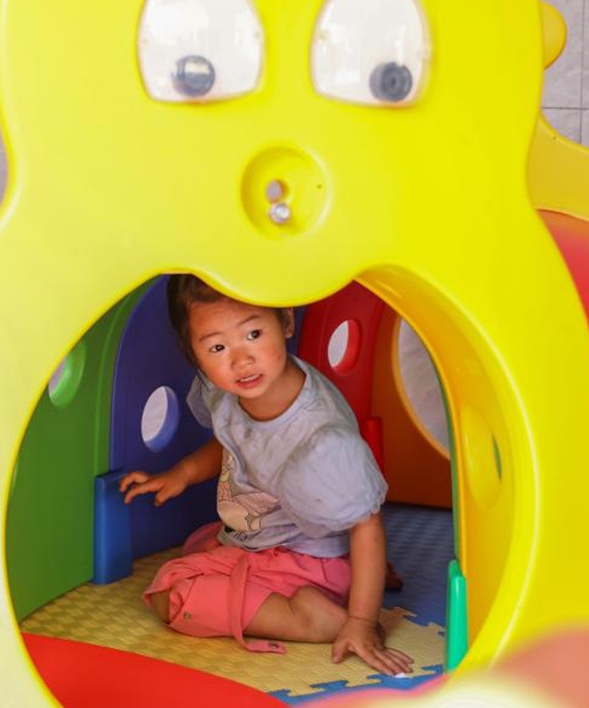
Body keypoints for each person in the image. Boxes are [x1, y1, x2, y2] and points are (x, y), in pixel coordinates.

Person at [120, 275, 413, 676]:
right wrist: (182, 474)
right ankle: (319, 591)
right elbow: (234, 438)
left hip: (311, 559)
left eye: (254, 333)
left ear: (286, 322)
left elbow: (367, 522)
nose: (241, 360)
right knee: (199, 545)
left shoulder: (319, 436)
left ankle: (310, 618)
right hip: (268, 540)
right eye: (218, 347)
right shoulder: (226, 388)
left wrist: (361, 622)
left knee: (169, 594)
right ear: (195, 353)